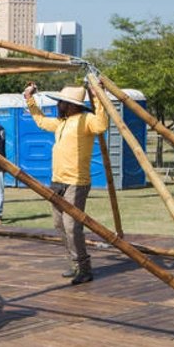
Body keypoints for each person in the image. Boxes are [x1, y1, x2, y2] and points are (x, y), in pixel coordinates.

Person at [23, 83, 108, 285]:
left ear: (70, 105)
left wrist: (98, 96)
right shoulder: (62, 123)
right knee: (59, 224)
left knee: (72, 226)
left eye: (61, 102)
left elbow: (102, 125)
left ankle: (84, 268)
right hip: (57, 181)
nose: (59, 105)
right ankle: (75, 264)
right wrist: (29, 100)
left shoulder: (86, 120)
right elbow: (42, 122)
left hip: (76, 182)